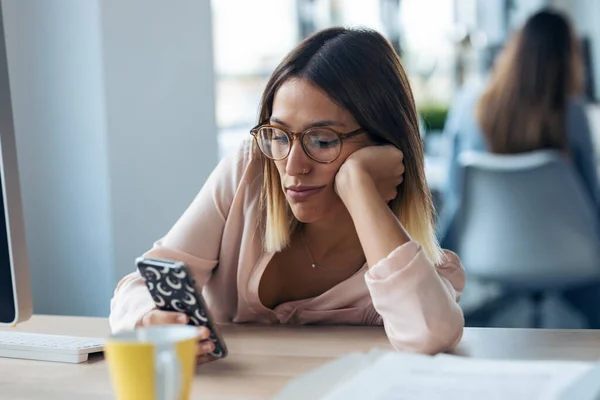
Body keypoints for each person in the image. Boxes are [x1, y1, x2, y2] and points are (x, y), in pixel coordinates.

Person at [109, 27, 466, 364]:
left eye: (322, 140)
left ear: (384, 146)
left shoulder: (417, 269)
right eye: (279, 136)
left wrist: (359, 187)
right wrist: (148, 321)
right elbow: (141, 286)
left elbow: (429, 337)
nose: (293, 166)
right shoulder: (251, 170)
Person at [438, 9, 600, 328]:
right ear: (570, 57)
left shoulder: (470, 105)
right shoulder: (573, 114)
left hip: (487, 264)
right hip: (573, 271)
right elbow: (590, 208)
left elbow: (456, 202)